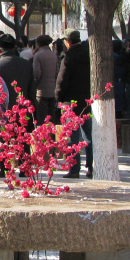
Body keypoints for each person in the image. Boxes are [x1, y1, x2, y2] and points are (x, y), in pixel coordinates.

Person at [55, 29, 92, 177]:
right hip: (88, 100)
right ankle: (91, 167)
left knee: (72, 137)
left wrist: (58, 96)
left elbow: (62, 80)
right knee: (88, 136)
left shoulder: (69, 57)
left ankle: (74, 169)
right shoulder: (90, 53)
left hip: (71, 101)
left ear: (67, 42)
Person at [0, 33, 35, 115]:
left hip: (3, 112)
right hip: (24, 111)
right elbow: (32, 91)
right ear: (14, 48)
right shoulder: (27, 64)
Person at [31, 34, 57, 124]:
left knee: (42, 118)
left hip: (41, 92)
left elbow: (36, 74)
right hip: (52, 91)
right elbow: (56, 72)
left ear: (38, 44)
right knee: (51, 118)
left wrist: (34, 85)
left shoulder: (38, 55)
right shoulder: (53, 55)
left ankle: (43, 138)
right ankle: (52, 136)